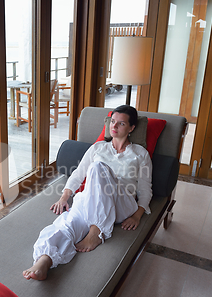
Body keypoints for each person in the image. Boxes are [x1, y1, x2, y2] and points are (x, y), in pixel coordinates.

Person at [22, 105, 152, 281]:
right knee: (67, 224)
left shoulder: (140, 154)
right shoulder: (98, 148)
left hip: (122, 203)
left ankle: (97, 232)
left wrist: (137, 215)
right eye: (112, 121)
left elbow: (145, 188)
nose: (114, 126)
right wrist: (64, 198)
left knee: (98, 167)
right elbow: (78, 174)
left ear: (131, 128)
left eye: (121, 124)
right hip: (91, 201)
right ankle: (44, 260)